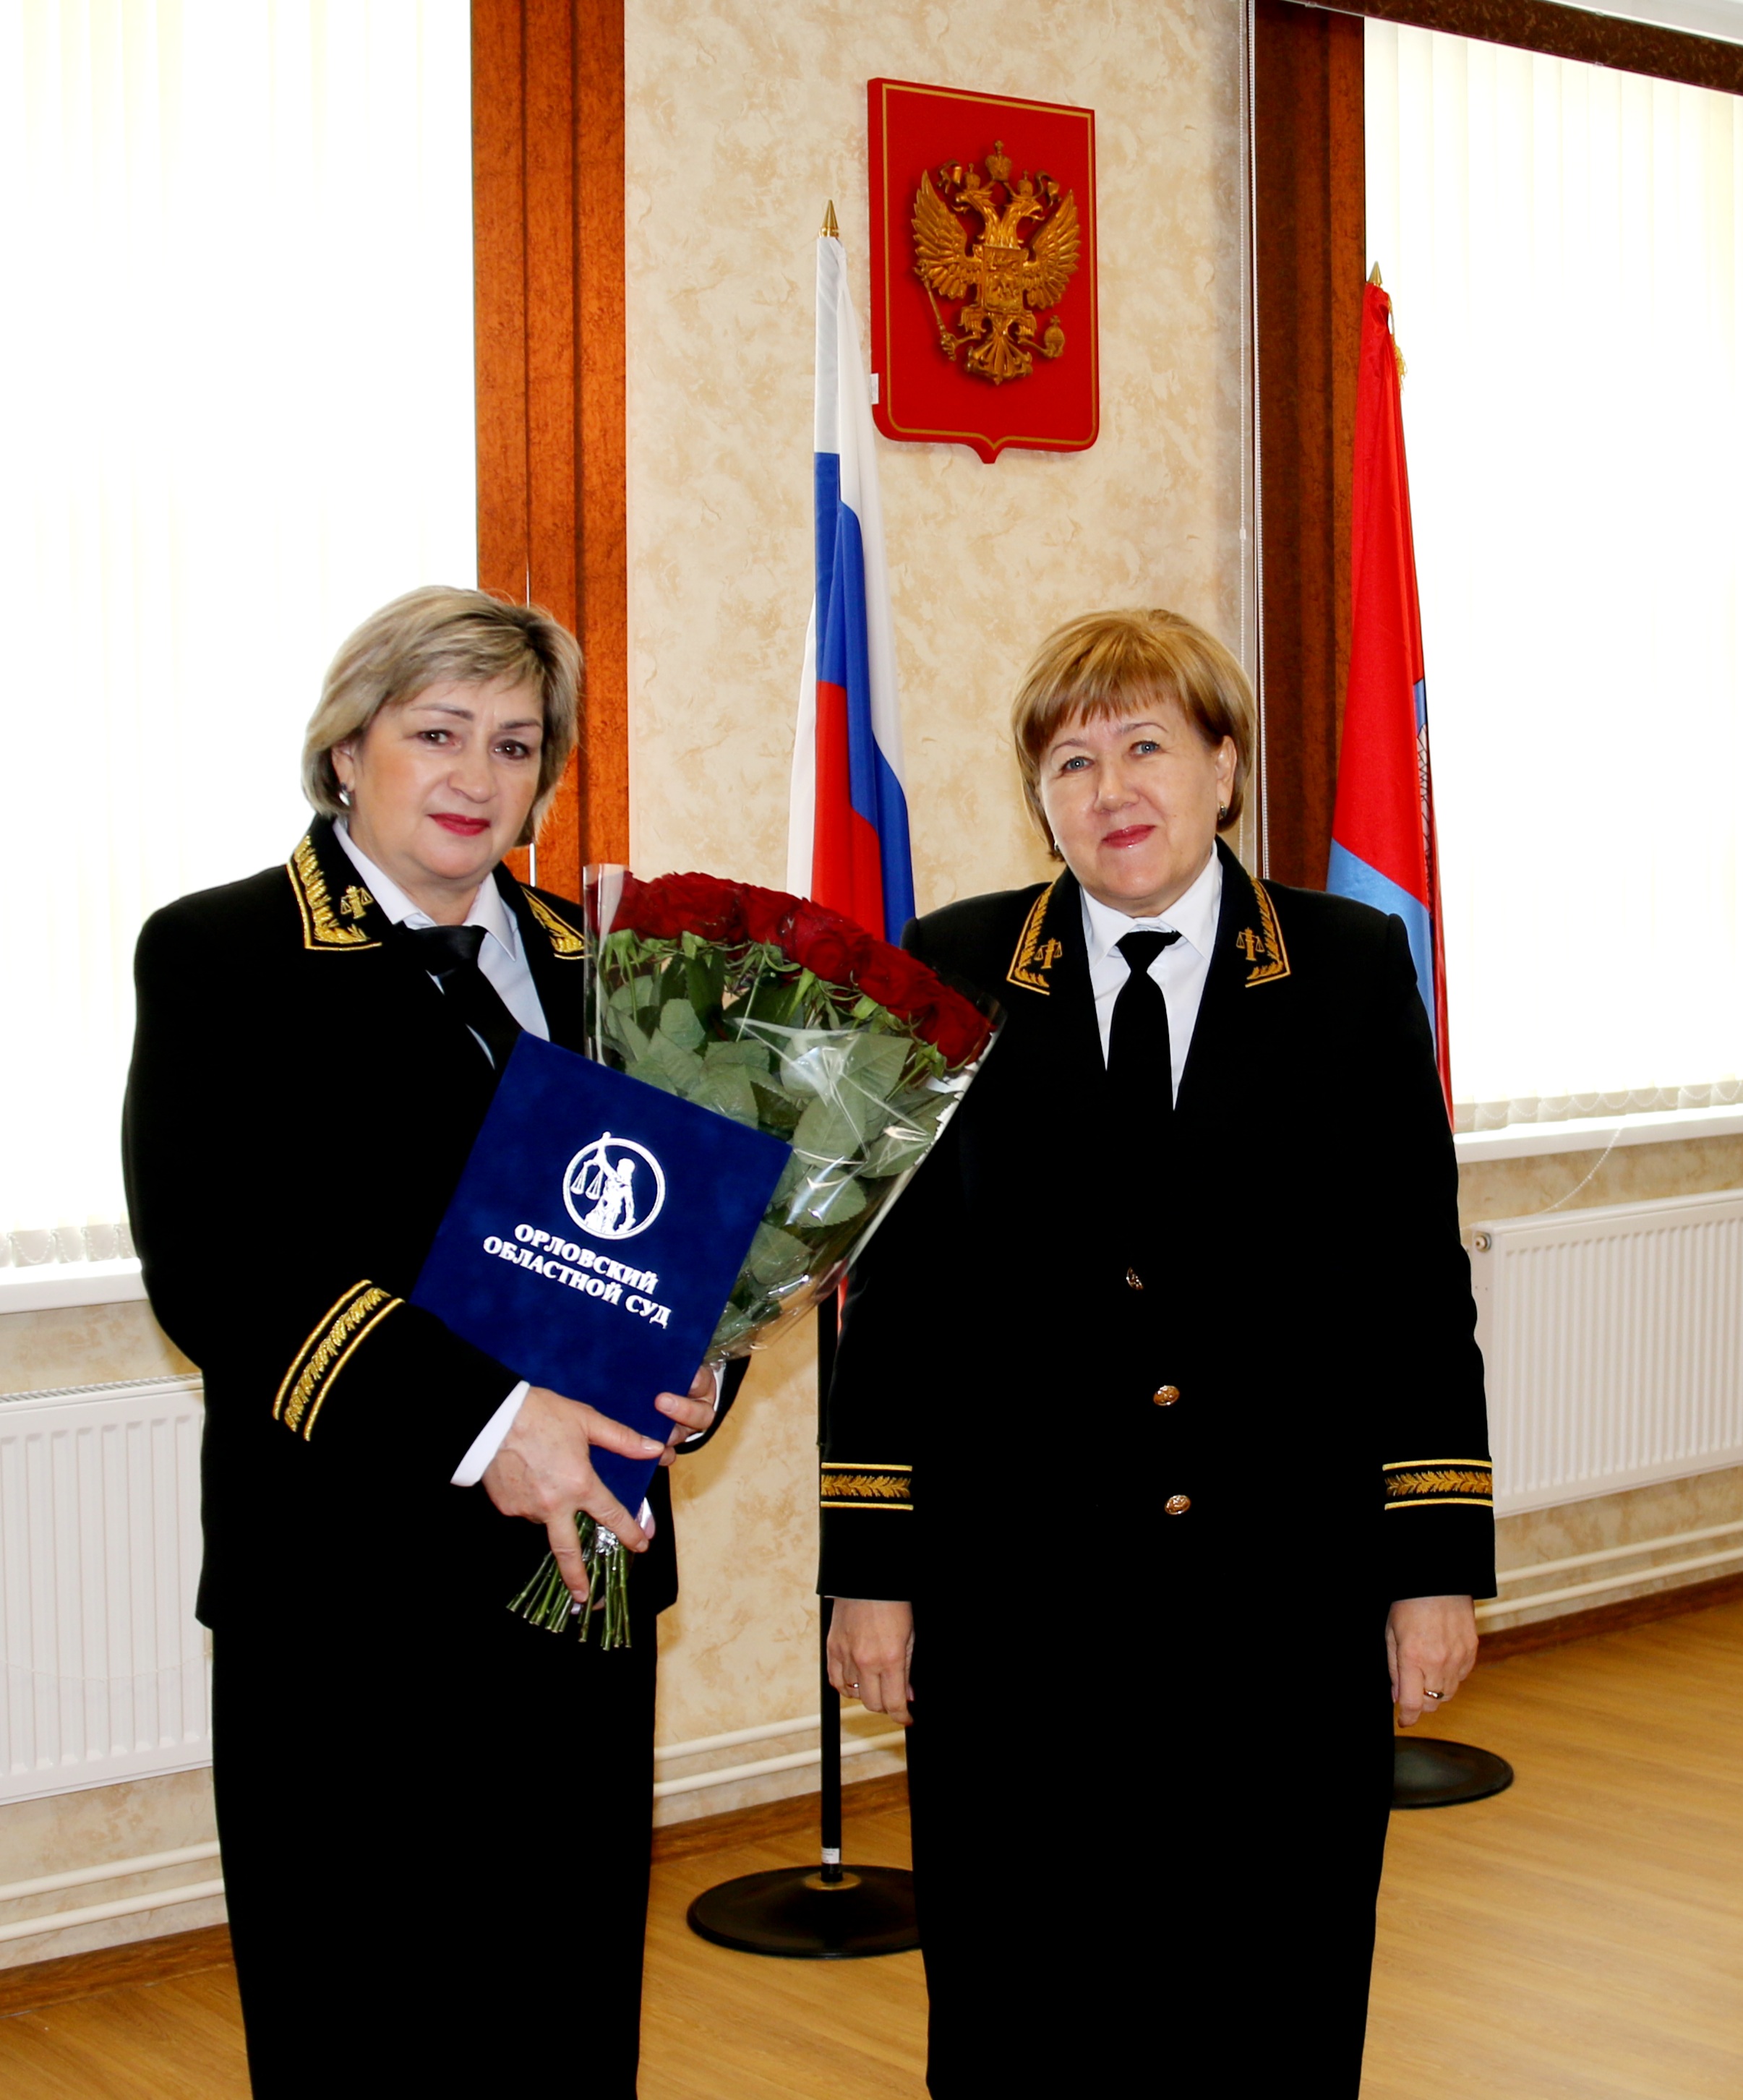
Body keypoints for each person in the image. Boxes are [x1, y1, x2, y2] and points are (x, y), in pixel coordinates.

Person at [821, 608, 1495, 2094]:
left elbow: (1412, 1282)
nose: (1111, 787)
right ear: (1038, 793)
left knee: (1271, 1995)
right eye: (1072, 760)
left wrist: (1432, 1563)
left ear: (1224, 767)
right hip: (1020, 1611)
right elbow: (899, 1288)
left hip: (1280, 1600)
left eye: (1145, 745)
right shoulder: (956, 963)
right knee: (1020, 2004)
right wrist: (872, 1566)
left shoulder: (1345, 964)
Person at [123, 586, 722, 2096]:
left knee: (561, 2008)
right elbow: (220, 1270)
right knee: (360, 2024)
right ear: (349, 750)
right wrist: (491, 1421)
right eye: (438, 732)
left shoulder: (602, 962)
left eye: (515, 745)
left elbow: (645, 1232)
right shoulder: (222, 952)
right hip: (347, 1598)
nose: (476, 776)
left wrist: (693, 1358)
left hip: (577, 1588)